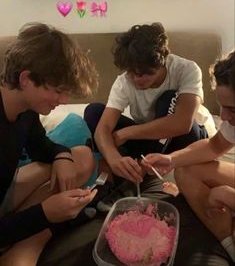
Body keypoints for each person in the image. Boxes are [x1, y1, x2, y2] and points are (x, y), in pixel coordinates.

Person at [0, 22, 99, 266]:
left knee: (82, 158)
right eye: (56, 91)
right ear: (26, 79)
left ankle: (22, 240)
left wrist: (61, 155)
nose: (63, 100)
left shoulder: (25, 110)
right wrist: (45, 213)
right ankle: (22, 249)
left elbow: (42, 146)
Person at [84, 22, 208, 211]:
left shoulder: (187, 70)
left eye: (146, 74)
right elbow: (103, 128)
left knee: (168, 99)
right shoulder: (124, 82)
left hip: (184, 139)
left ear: (163, 61)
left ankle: (132, 180)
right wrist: (113, 159)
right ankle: (128, 171)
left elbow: (182, 123)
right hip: (148, 140)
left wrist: (125, 134)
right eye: (133, 73)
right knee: (93, 111)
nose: (138, 80)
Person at [142, 50, 235, 262]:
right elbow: (215, 145)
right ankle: (229, 243)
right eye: (221, 106)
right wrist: (172, 159)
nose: (224, 117)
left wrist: (226, 195)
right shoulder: (229, 120)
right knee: (186, 169)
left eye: (232, 110)